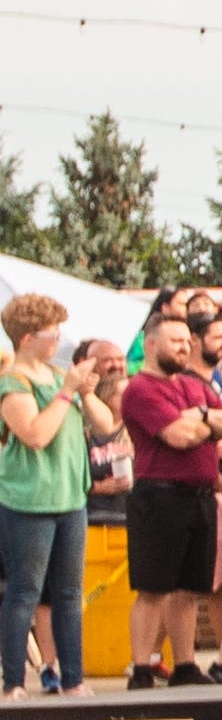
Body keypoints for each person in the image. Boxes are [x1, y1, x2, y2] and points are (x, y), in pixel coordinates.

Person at [116, 314, 222, 691]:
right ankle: (141, 668)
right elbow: (178, 436)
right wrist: (204, 426)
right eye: (175, 341)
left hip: (200, 496)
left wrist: (199, 416)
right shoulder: (140, 390)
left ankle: (185, 666)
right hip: (160, 496)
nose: (184, 347)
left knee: (189, 589)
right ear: (151, 344)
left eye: (187, 341)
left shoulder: (194, 387)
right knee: (153, 587)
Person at [0, 297, 85, 695]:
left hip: (71, 497)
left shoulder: (57, 374)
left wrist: (89, 388)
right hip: (30, 500)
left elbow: (105, 422)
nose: (59, 340)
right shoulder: (13, 382)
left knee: (69, 594)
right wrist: (67, 392)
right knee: (24, 591)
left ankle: (74, 679)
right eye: (52, 333)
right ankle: (13, 681)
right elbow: (34, 434)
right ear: (29, 337)